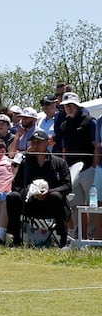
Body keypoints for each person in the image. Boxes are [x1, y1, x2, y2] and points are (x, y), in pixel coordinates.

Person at [5, 129, 71, 247]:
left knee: (57, 196)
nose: (34, 145)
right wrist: (30, 192)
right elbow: (16, 186)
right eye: (33, 142)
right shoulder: (26, 163)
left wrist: (49, 192)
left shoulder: (59, 163)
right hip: (30, 204)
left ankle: (63, 240)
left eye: (38, 142)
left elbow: (67, 186)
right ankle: (16, 239)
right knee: (12, 197)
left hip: (51, 204)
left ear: (47, 143)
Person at [58, 92, 98, 240]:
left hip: (88, 169)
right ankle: (79, 237)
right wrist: (65, 170)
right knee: (75, 205)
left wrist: (94, 166)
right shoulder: (64, 125)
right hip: (72, 171)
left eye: (70, 105)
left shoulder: (89, 122)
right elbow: (64, 150)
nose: (68, 108)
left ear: (77, 105)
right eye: (65, 106)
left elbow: (96, 146)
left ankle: (92, 237)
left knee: (92, 204)